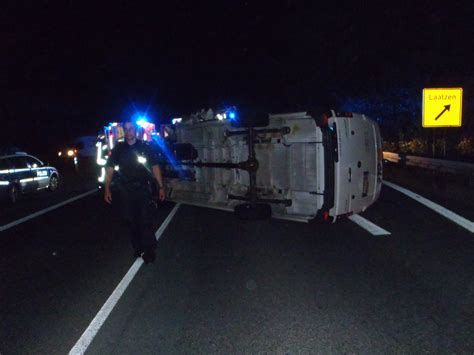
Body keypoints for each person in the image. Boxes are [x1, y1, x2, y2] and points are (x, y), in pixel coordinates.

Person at [103, 120, 165, 263]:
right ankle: (138, 248)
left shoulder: (145, 147)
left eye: (131, 129)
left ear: (135, 131)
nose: (128, 131)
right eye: (126, 129)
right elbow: (110, 169)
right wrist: (107, 189)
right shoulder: (119, 149)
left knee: (145, 219)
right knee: (131, 220)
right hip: (126, 190)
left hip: (143, 189)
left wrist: (161, 186)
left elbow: (155, 167)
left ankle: (149, 250)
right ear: (124, 131)